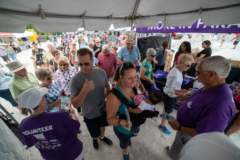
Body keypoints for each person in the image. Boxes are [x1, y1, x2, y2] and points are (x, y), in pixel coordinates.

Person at [167, 56, 236, 159]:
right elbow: (203, 100)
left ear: (211, 74)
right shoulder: (212, 85)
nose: (195, 74)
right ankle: (173, 152)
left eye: (198, 72)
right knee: (177, 148)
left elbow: (204, 135)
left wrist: (179, 127)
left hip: (189, 136)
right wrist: (187, 98)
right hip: (184, 131)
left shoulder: (217, 105)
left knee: (182, 154)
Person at [18, 88, 85, 160]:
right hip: (74, 153)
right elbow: (76, 127)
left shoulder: (23, 125)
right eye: (45, 97)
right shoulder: (59, 115)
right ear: (41, 102)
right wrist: (73, 114)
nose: (46, 99)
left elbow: (30, 144)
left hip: (51, 157)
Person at [70, 48, 112, 150]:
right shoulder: (75, 79)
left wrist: (108, 97)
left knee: (103, 125)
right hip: (89, 113)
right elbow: (75, 104)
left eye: (86, 64)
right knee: (94, 133)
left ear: (93, 60)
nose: (83, 67)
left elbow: (107, 85)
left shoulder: (101, 73)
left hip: (103, 109)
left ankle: (102, 138)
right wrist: (84, 90)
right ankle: (95, 139)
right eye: (80, 64)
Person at [106, 62, 139, 160]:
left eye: (135, 76)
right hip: (123, 128)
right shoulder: (113, 96)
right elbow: (109, 119)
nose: (134, 80)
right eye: (130, 78)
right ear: (121, 77)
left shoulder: (133, 86)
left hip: (134, 123)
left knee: (129, 138)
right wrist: (120, 122)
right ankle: (125, 153)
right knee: (124, 143)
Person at [159, 54, 194, 134]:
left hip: (171, 92)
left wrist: (181, 91)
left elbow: (172, 86)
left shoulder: (178, 70)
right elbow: (168, 89)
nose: (189, 67)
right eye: (188, 65)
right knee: (169, 111)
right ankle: (162, 125)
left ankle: (163, 115)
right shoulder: (175, 74)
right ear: (181, 64)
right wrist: (180, 93)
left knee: (166, 107)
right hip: (170, 95)